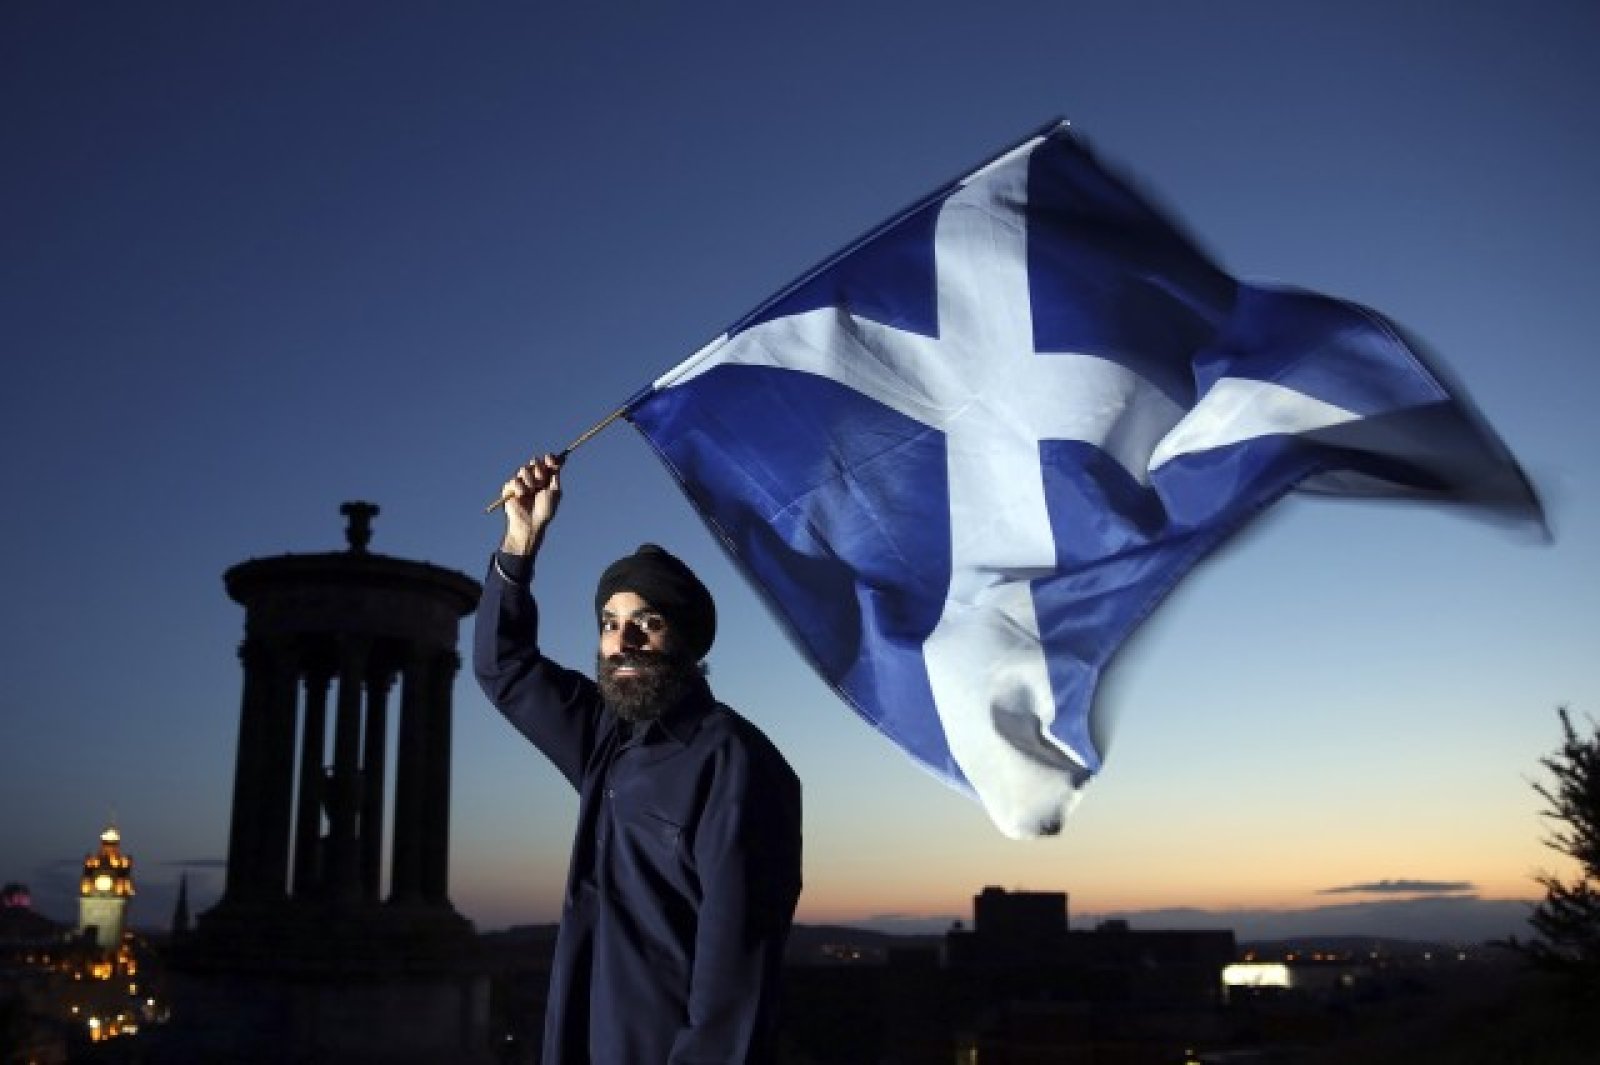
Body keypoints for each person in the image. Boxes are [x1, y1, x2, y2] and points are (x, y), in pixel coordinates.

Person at [474, 454, 803, 1064]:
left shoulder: (737, 764)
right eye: (609, 623)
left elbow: (733, 990)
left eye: (646, 623)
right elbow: (505, 669)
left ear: (688, 640)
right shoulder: (604, 735)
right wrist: (521, 539)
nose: (621, 642)